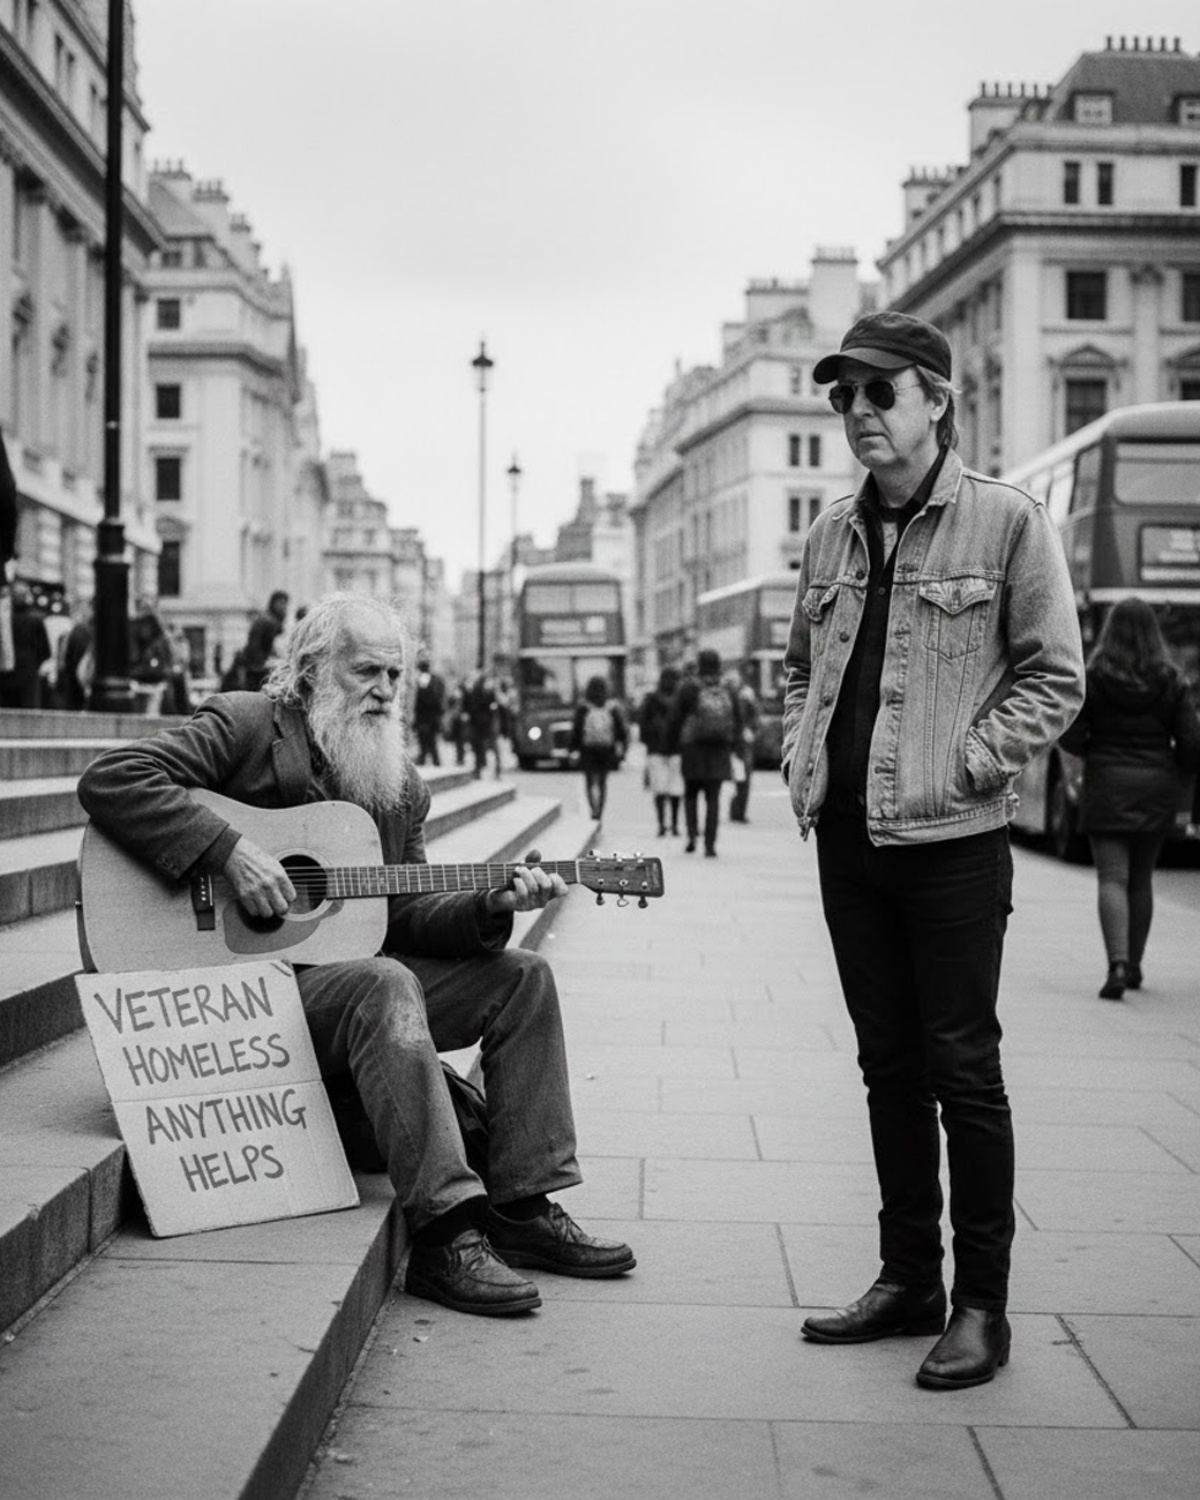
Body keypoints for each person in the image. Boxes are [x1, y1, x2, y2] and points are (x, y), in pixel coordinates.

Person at [76, 592, 635, 1317]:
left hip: (336, 1005)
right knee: (384, 983)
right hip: (237, 999)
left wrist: (487, 907)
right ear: (312, 670)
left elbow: (404, 915)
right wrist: (229, 850)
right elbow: (111, 779)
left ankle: (522, 1209)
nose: (384, 691)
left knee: (521, 977)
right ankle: (445, 1237)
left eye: (396, 676)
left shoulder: (399, 788)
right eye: (366, 670)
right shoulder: (245, 726)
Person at [783, 311, 1084, 1390]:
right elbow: (798, 667)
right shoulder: (829, 535)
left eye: (878, 393)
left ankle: (982, 1305)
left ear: (934, 400)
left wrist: (971, 761)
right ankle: (907, 1275)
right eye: (843, 397)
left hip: (953, 842)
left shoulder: (1005, 524)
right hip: (850, 845)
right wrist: (801, 756)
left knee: (964, 1070)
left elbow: (1055, 675)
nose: (857, 414)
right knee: (887, 1068)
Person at [1059, 597, 1200, 1000]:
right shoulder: (1171, 679)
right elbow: (1191, 741)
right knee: (1142, 880)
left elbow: (1070, 732)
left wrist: (1093, 751)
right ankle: (1136, 965)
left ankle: (1116, 964)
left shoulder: (1096, 676)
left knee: (1112, 879)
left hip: (1107, 783)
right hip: (1157, 785)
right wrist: (1177, 773)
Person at [668, 647, 741, 857]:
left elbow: (674, 719)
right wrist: (734, 746)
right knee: (713, 798)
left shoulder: (687, 687)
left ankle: (691, 836)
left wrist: (672, 747)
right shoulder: (727, 688)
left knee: (690, 794)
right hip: (719, 750)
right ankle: (710, 844)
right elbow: (738, 718)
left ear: (699, 664)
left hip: (691, 749)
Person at [570, 674, 627, 821]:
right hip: (605, 750)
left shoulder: (583, 708)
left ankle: (592, 808)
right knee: (602, 782)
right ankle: (600, 812)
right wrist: (621, 749)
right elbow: (621, 731)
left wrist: (572, 749)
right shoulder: (611, 708)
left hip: (588, 749)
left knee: (589, 781)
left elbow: (577, 730)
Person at [638, 666, 683, 836]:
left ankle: (661, 824)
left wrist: (649, 742)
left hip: (655, 750)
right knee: (676, 788)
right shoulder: (679, 700)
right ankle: (675, 824)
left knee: (659, 789)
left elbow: (642, 724)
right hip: (676, 750)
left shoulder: (651, 699)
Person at [0, 579, 50, 708]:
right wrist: (35, 663)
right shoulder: (36, 619)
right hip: (29, 673)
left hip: (5, 674)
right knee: (28, 714)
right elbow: (45, 650)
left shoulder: (4, 620)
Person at [728, 662, 762, 825]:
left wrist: (752, 731)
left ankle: (738, 810)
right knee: (743, 778)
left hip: (736, 742)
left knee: (742, 778)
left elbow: (755, 717)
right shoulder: (744, 695)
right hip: (738, 743)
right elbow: (755, 717)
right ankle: (737, 811)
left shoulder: (741, 695)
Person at [243, 590, 289, 691]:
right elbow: (268, 648)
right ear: (274, 603)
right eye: (282, 603)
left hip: (254, 668)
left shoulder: (265, 619)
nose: (284, 608)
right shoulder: (270, 622)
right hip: (259, 670)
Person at [412, 655, 446, 766]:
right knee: (427, 740)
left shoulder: (426, 679)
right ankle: (428, 760)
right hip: (428, 716)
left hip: (428, 716)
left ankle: (431, 761)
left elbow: (431, 699)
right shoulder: (434, 679)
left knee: (428, 740)